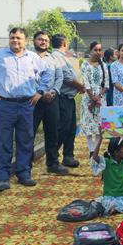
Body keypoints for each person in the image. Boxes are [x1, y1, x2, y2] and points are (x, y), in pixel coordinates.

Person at [0, 27, 52, 191]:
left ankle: (24, 173)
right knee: (3, 141)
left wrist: (40, 92)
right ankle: (3, 177)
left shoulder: (33, 58)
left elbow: (47, 73)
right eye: (12, 37)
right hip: (5, 104)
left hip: (26, 105)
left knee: (26, 140)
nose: (15, 41)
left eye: (18, 38)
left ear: (26, 41)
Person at [32, 30, 68, 175]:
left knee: (52, 132)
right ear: (34, 41)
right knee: (29, 133)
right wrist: (40, 94)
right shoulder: (28, 58)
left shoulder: (53, 59)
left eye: (46, 40)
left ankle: (53, 163)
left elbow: (59, 78)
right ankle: (25, 166)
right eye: (40, 39)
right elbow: (27, 78)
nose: (43, 42)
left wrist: (53, 92)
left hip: (52, 100)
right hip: (33, 100)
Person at [51, 33, 85, 169]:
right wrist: (80, 86)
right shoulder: (57, 57)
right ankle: (53, 157)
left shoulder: (63, 57)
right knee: (63, 128)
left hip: (69, 98)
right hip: (62, 97)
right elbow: (67, 77)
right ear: (64, 43)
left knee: (71, 128)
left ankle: (68, 156)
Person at [90, 135, 123, 215]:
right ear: (116, 152)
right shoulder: (106, 162)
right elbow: (94, 158)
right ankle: (115, 208)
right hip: (111, 197)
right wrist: (100, 140)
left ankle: (116, 209)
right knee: (106, 204)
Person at [79, 41, 107, 156]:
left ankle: (96, 150)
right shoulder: (85, 65)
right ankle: (91, 150)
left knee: (100, 125)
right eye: (95, 50)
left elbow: (106, 84)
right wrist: (92, 98)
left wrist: (98, 97)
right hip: (88, 98)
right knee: (89, 125)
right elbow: (85, 82)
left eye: (100, 50)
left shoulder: (103, 65)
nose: (98, 52)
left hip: (101, 98)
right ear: (90, 50)